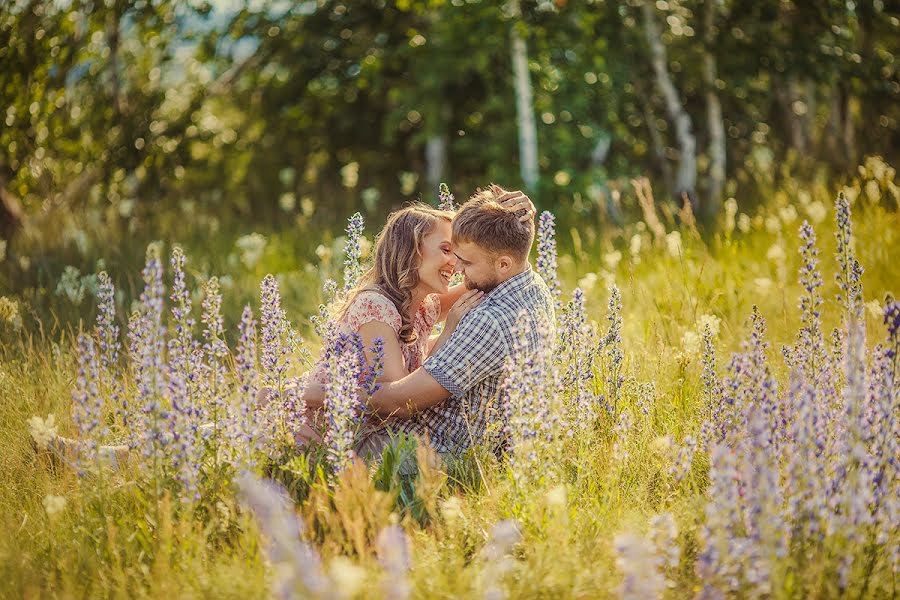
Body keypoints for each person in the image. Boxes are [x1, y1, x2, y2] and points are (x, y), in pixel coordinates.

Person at [303, 187, 557, 460]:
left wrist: (519, 220)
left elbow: (399, 398)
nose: (457, 267)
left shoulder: (441, 306)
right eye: (448, 251)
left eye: (460, 257)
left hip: (373, 421)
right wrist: (300, 393)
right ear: (412, 253)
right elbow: (488, 248)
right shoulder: (377, 307)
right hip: (328, 423)